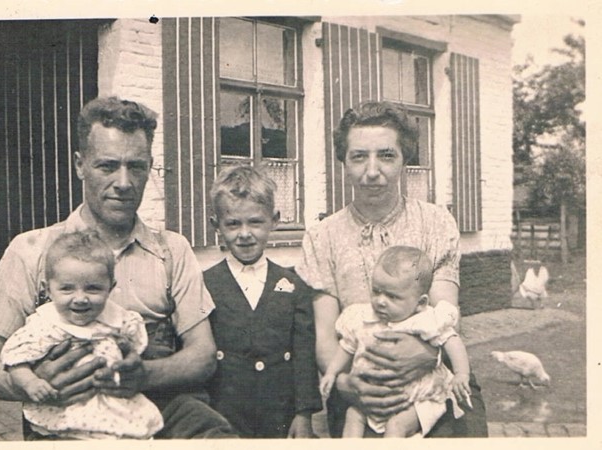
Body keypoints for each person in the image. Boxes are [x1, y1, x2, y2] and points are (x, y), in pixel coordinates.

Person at [0, 96, 237, 439]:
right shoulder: (31, 250)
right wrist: (28, 384)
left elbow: (202, 356)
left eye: (137, 166)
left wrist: (144, 374)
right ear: (80, 165)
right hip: (68, 420)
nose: (125, 183)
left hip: (157, 413)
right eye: (108, 166)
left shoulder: (172, 250)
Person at [296, 100, 488, 437]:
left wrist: (426, 354)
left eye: (386, 155)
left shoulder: (435, 223)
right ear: (344, 162)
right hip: (361, 388)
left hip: (433, 379)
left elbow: (444, 311)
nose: (372, 171)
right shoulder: (322, 237)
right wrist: (345, 383)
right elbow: (326, 335)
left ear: (404, 160)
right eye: (358, 156)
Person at [0, 231, 164, 439]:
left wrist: (129, 356)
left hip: (112, 406)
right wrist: (31, 383)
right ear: (48, 289)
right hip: (64, 411)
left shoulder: (117, 318)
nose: (80, 299)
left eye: (93, 289)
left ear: (110, 288)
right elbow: (15, 360)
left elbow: (133, 347)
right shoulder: (46, 324)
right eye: (67, 289)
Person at [203, 165, 322, 438]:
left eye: (255, 222)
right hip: (225, 415)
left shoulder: (294, 286)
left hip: (281, 417)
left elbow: (303, 355)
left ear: (274, 220)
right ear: (216, 226)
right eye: (233, 224)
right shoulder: (204, 284)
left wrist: (303, 415)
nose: (245, 234)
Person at [319, 246, 472, 438]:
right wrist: (332, 372)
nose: (381, 301)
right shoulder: (363, 317)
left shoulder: (425, 320)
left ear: (421, 303)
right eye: (376, 292)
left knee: (396, 425)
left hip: (418, 397)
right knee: (353, 414)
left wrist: (461, 373)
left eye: (392, 296)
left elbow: (452, 340)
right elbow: (347, 346)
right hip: (374, 394)